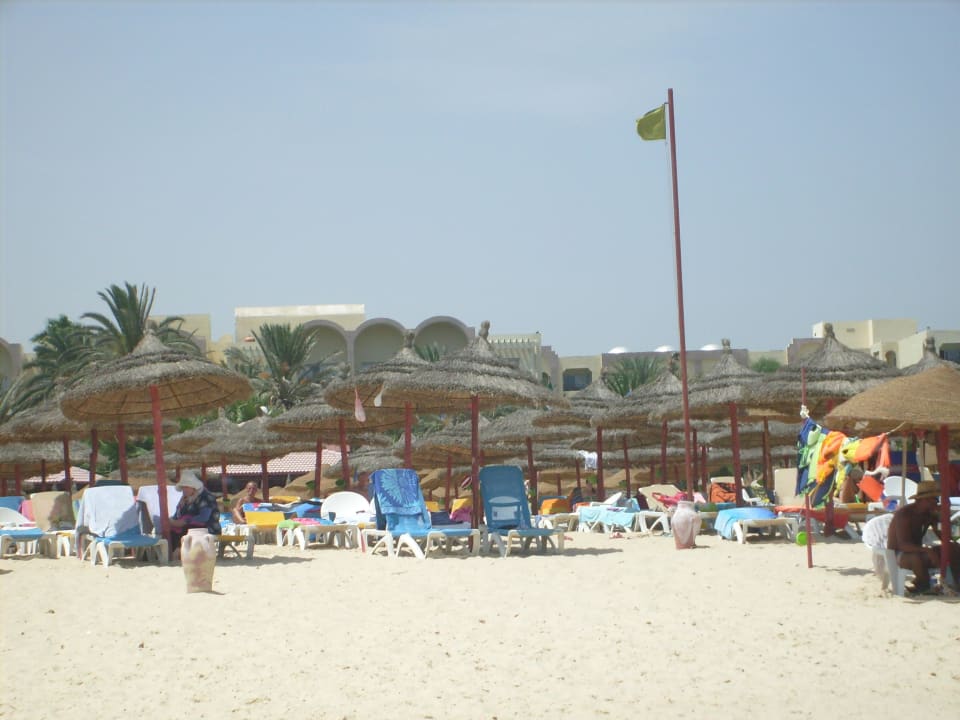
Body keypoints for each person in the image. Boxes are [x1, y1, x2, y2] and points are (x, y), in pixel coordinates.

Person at [886, 480, 960, 594]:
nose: (936, 502)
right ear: (924, 500)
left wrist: (940, 518)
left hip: (918, 551)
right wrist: (927, 550)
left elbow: (945, 538)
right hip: (899, 554)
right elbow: (903, 545)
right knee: (916, 557)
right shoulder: (904, 515)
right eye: (934, 499)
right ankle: (923, 585)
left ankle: (956, 583)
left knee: (954, 547)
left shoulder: (928, 514)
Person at [169, 471, 222, 555]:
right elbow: (177, 515)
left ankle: (180, 552)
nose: (184, 490)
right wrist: (172, 521)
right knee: (170, 531)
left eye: (186, 487)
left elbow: (204, 518)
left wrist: (185, 521)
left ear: (194, 487)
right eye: (183, 487)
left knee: (189, 529)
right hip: (187, 527)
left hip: (209, 528)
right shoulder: (185, 499)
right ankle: (171, 553)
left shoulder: (205, 497)